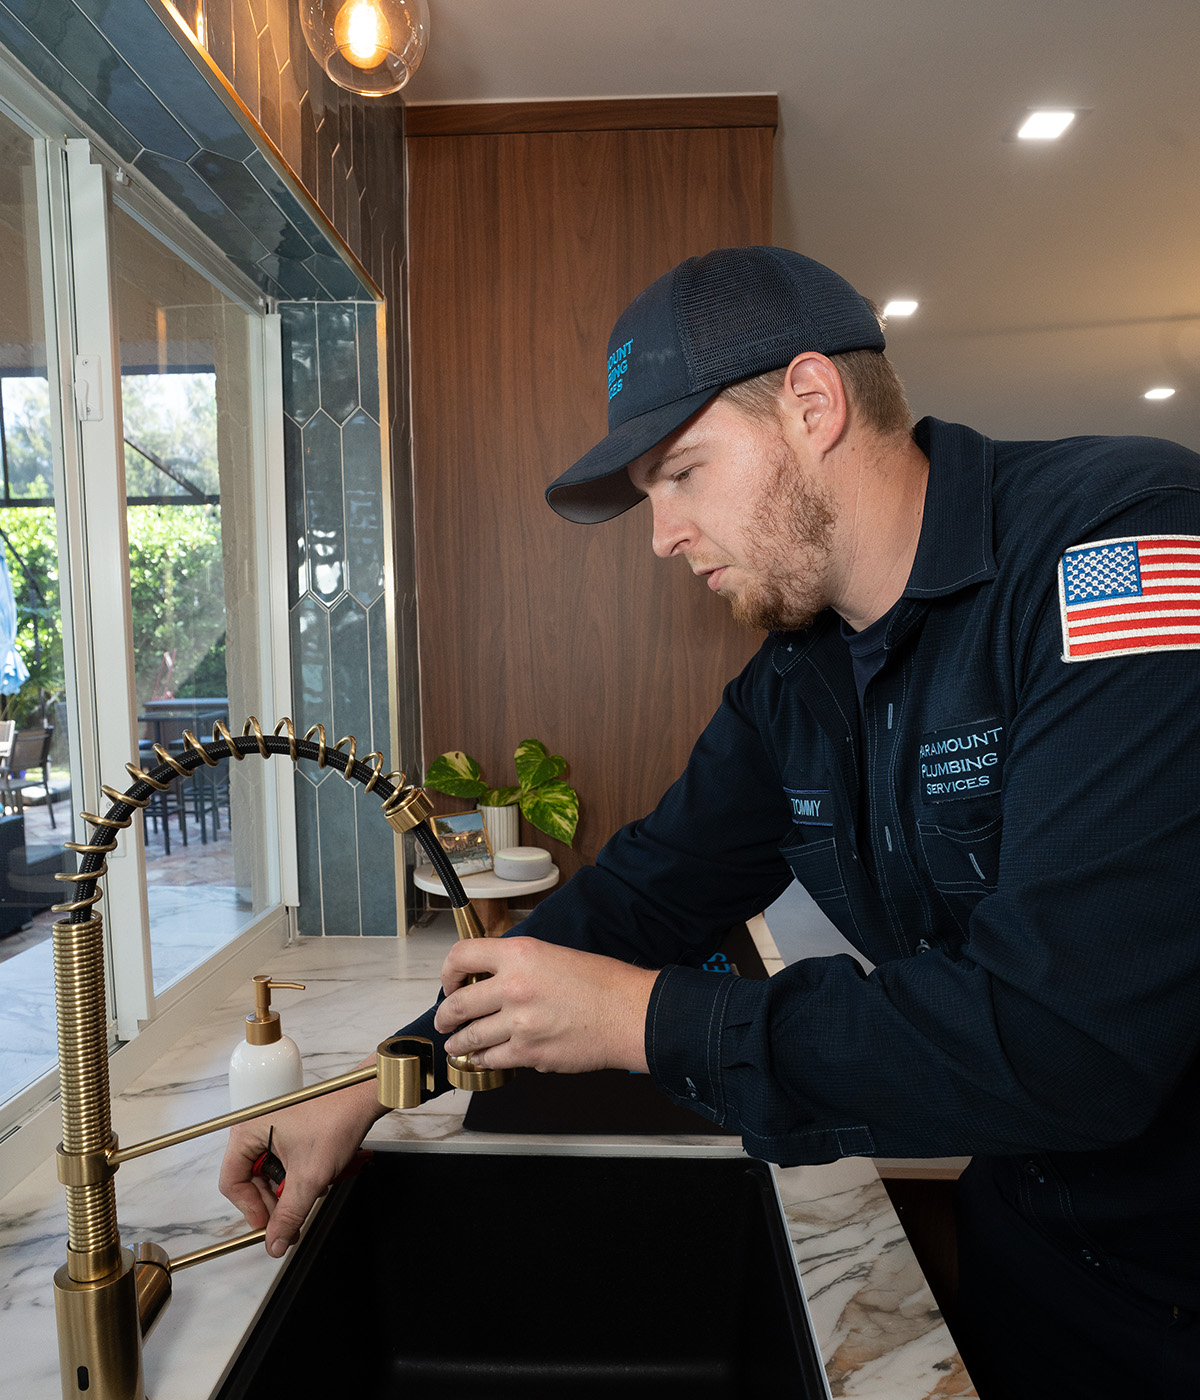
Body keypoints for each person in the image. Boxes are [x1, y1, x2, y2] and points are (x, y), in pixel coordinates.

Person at [221, 246, 1200, 1398]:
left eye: (682, 472)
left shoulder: (1121, 543)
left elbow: (1065, 1040)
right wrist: (379, 1081)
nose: (660, 534)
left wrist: (650, 1019)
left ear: (813, 403)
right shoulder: (798, 677)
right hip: (1026, 1261)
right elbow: (640, 897)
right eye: (648, 493)